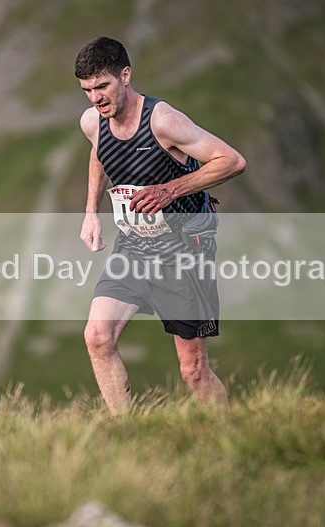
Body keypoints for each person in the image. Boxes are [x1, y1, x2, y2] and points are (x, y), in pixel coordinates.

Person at [74, 36, 246, 415]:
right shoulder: (93, 121)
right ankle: (128, 434)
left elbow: (231, 161)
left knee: (193, 371)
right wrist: (91, 211)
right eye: (87, 90)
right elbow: (99, 153)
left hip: (185, 249)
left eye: (102, 87)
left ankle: (230, 435)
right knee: (97, 337)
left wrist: (170, 190)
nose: (96, 98)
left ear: (125, 75)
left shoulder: (162, 121)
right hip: (134, 246)